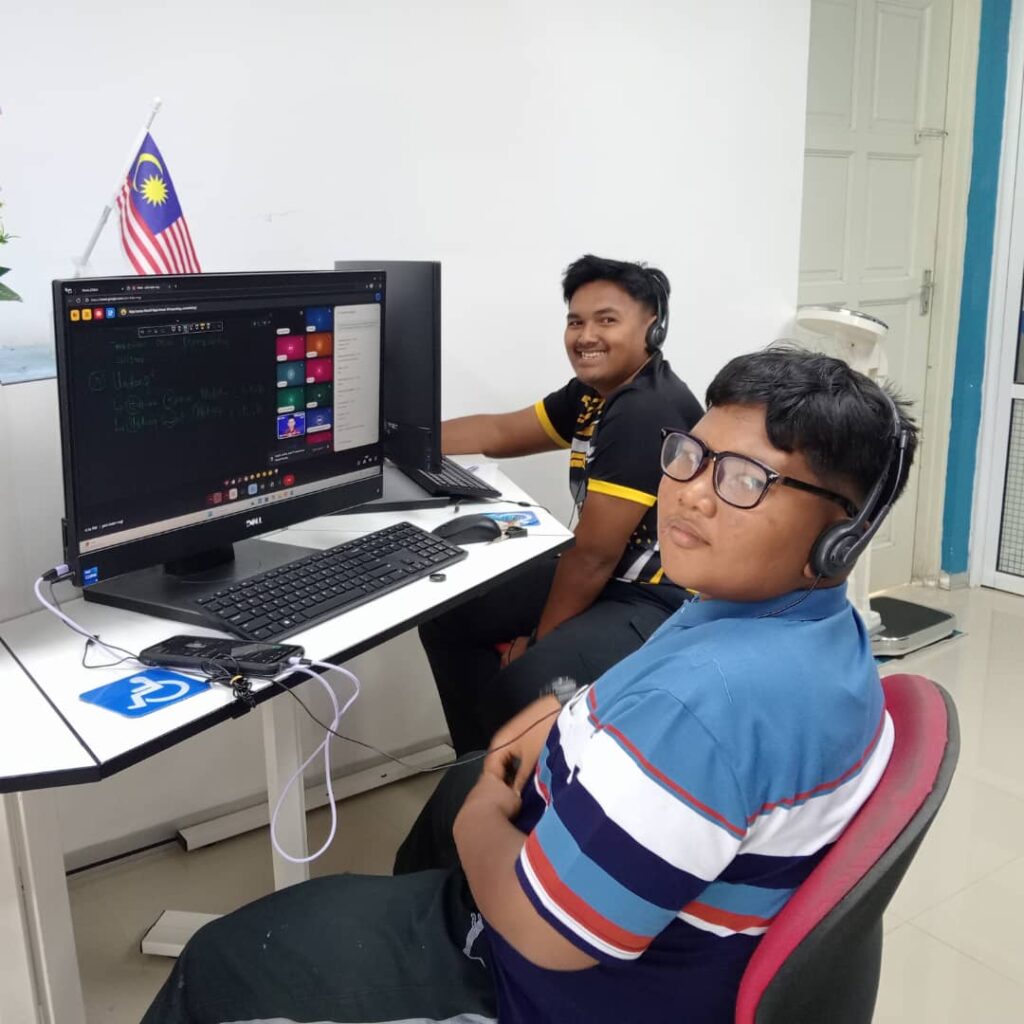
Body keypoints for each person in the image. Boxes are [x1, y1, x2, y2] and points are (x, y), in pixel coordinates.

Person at [141, 347, 917, 1024]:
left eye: (746, 479)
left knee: (223, 959)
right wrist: (566, 719)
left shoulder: (704, 708)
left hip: (540, 985)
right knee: (457, 791)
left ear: (841, 535)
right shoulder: (809, 623)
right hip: (636, 920)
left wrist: (484, 809)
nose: (691, 491)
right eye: (691, 455)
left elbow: (546, 935)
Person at [422, 254, 703, 754]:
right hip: (615, 577)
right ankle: (480, 768)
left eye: (606, 320)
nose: (586, 336)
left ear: (652, 327)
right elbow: (499, 432)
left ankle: (518, 778)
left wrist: (539, 641)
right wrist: (401, 443)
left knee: (527, 683)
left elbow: (593, 556)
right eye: (576, 321)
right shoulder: (594, 395)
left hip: (657, 597)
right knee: (449, 613)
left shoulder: (644, 409)